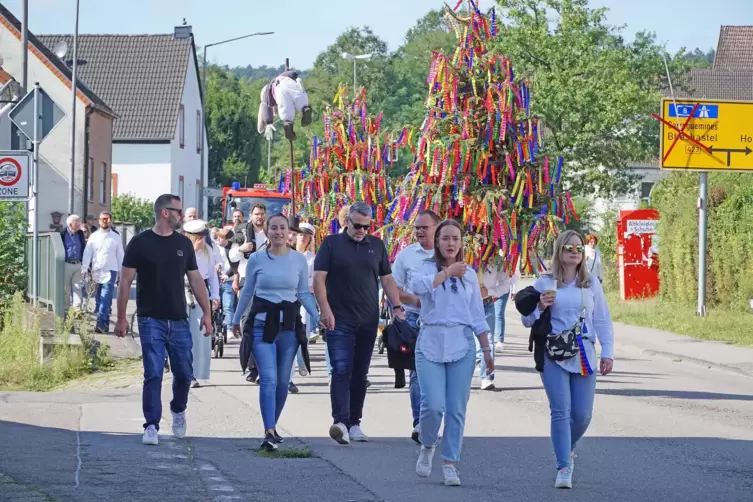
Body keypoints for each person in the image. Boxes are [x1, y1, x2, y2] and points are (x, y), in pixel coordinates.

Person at [114, 194, 213, 446]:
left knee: (184, 373)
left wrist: (207, 313)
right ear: (165, 213)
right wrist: (121, 318)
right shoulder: (139, 243)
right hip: (150, 319)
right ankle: (151, 424)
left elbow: (196, 280)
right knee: (154, 372)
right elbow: (125, 281)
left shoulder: (184, 244)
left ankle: (178, 409)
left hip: (179, 319)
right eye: (178, 211)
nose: (182, 216)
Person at [520, 230, 614, 489]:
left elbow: (603, 319)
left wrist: (608, 352)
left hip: (584, 353)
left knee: (582, 415)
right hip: (553, 353)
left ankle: (568, 447)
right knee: (560, 412)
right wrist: (540, 306)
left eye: (578, 248)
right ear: (559, 252)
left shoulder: (591, 283)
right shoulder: (544, 282)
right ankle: (563, 465)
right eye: (569, 247)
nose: (574, 251)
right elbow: (526, 320)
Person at [409, 219, 493, 487]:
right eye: (445, 238)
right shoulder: (424, 268)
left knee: (457, 407)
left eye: (455, 239)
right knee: (433, 404)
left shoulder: (469, 274)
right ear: (437, 241)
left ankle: (450, 463)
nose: (450, 243)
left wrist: (487, 349)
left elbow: (478, 316)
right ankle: (428, 445)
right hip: (431, 340)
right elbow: (417, 289)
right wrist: (446, 273)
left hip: (461, 342)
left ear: (461, 243)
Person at [314, 202, 405, 445]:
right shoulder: (331, 244)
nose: (362, 230)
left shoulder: (376, 245)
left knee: (360, 374)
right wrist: (325, 310)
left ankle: (355, 423)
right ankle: (340, 422)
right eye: (357, 225)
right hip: (338, 319)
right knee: (341, 369)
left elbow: (386, 278)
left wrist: (397, 308)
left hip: (367, 319)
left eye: (367, 226)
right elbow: (318, 279)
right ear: (347, 222)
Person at [231, 214, 319, 451]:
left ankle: (273, 425)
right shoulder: (257, 259)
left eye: (282, 228)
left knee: (282, 381)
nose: (278, 232)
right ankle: (268, 430)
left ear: (289, 233)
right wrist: (236, 318)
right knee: (268, 378)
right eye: (274, 228)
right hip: (261, 325)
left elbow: (303, 293)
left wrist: (319, 316)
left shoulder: (298, 260)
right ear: (266, 231)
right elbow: (247, 291)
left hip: (288, 327)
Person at [391, 209, 439, 443]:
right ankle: (419, 423)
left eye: (424, 227)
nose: (420, 231)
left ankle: (435, 421)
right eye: (417, 227)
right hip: (414, 319)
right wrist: (414, 301)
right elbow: (394, 289)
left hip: (443, 322)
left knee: (440, 375)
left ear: (436, 229)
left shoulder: (449, 254)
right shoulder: (407, 256)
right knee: (418, 375)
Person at [183, 220, 221, 388]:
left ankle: (195, 372)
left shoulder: (208, 252)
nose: (201, 241)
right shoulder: (181, 251)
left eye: (202, 237)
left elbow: (212, 276)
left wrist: (215, 296)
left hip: (200, 291)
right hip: (182, 291)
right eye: (197, 238)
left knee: (199, 333)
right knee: (182, 333)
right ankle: (182, 370)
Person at [476, 262, 518, 390]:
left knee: (488, 340)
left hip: (487, 303)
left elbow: (505, 284)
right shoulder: (464, 253)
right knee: (467, 341)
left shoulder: (497, 259)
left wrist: (489, 291)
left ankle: (487, 377)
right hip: (465, 305)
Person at [81, 212, 124, 333]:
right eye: (102, 219)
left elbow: (120, 255)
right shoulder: (94, 237)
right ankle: (104, 323)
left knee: (105, 297)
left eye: (107, 219)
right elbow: (88, 253)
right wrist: (84, 268)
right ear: (99, 221)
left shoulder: (116, 237)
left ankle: (100, 325)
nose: (105, 221)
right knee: (99, 299)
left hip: (111, 270)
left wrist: (122, 273)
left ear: (110, 221)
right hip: (96, 270)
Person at [216, 228, 241, 338]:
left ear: (226, 239)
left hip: (228, 281)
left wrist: (226, 275)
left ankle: (229, 328)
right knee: (217, 306)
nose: (217, 239)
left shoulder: (233, 249)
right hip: (217, 280)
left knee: (228, 306)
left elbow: (235, 265)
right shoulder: (216, 248)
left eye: (220, 237)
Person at [60, 214, 86, 313]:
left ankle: (77, 309)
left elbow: (83, 246)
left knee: (78, 287)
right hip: (66, 264)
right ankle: (66, 308)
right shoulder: (62, 233)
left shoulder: (80, 233)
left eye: (79, 222)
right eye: (77, 222)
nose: (79, 224)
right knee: (66, 288)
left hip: (78, 263)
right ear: (70, 224)